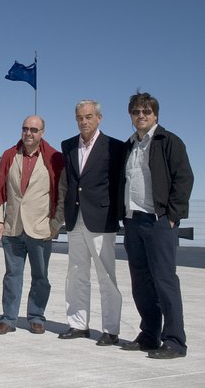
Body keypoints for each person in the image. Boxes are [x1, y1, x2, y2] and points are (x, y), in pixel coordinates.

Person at [119, 91, 193, 359]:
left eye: (146, 112)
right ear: (131, 115)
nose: (141, 116)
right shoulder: (129, 145)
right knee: (141, 283)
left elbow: (183, 179)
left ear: (155, 115)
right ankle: (149, 335)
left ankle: (174, 341)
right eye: (136, 112)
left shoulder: (169, 141)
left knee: (165, 281)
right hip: (133, 222)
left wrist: (172, 216)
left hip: (159, 222)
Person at [0, 115, 65, 335]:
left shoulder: (54, 158)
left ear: (42, 132)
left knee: (40, 277)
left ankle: (36, 317)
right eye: (25, 129)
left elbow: (62, 195)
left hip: (41, 229)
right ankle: (8, 319)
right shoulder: (9, 156)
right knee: (12, 276)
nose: (29, 133)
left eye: (34, 130)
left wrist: (56, 224)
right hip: (13, 227)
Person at [58, 100, 123, 346]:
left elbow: (118, 183)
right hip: (75, 218)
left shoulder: (114, 147)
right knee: (75, 273)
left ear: (98, 118)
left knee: (105, 274)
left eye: (88, 117)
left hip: (101, 218)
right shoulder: (68, 145)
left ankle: (111, 329)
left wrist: (116, 213)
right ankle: (78, 324)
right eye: (79, 117)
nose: (83, 121)